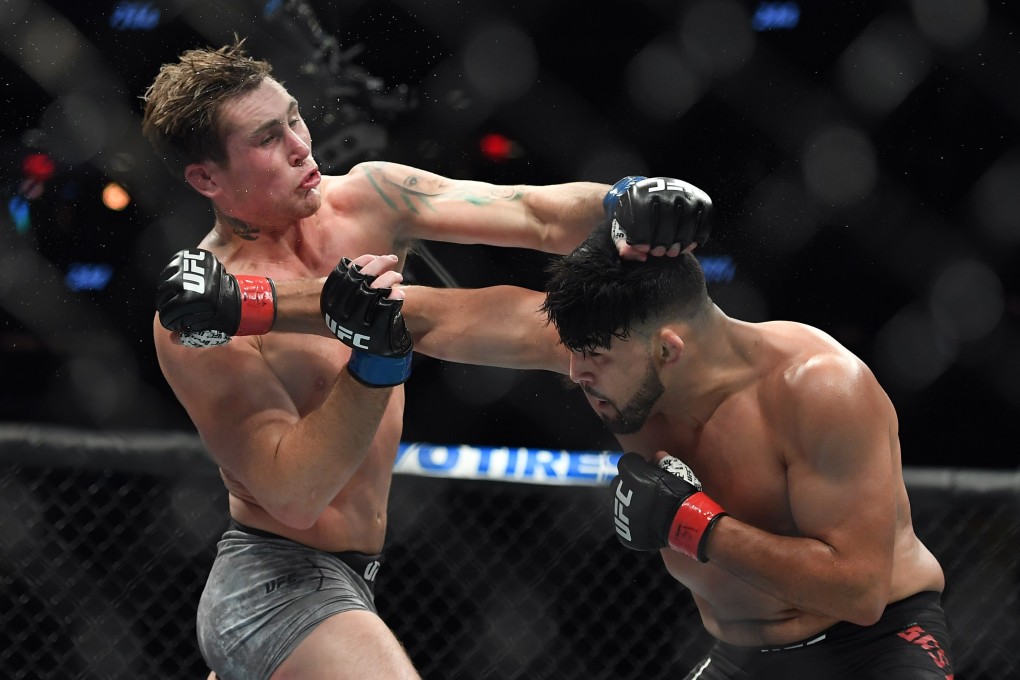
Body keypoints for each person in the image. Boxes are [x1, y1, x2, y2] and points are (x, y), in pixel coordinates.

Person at [165, 176, 954, 678]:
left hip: (876, 651)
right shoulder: (608, 351)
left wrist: (696, 526)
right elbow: (432, 316)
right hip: (741, 657)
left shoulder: (821, 386)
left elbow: (856, 591)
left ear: (668, 349)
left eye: (591, 366)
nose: (574, 380)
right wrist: (244, 304)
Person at [143, 38, 691, 680]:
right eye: (267, 138)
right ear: (207, 178)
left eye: (294, 116)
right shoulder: (201, 317)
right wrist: (375, 358)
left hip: (355, 579)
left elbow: (532, 213)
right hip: (275, 582)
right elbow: (294, 494)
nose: (300, 144)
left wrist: (624, 205)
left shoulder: (371, 197)